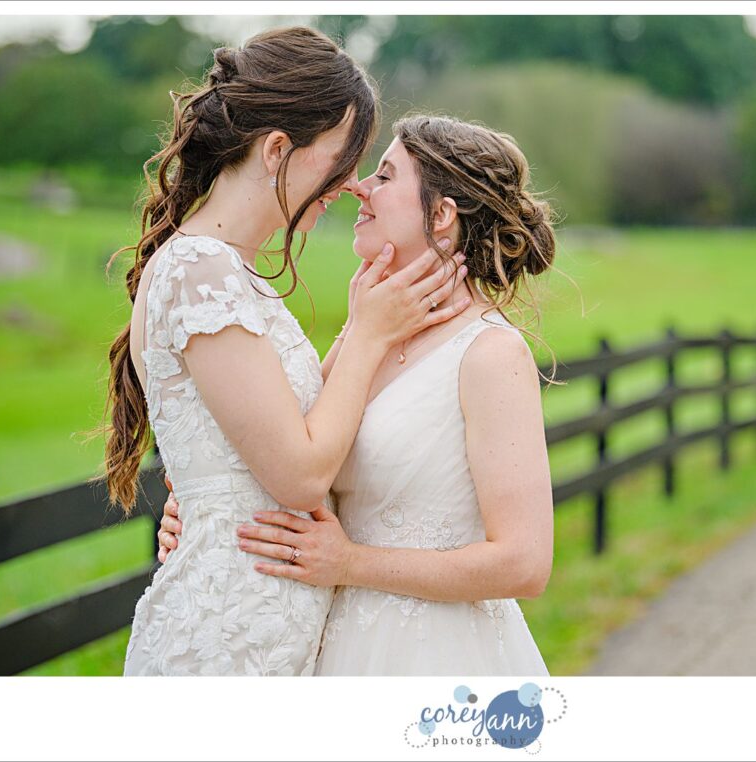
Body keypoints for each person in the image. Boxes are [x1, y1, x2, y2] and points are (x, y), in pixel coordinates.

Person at [105, 27, 469, 676]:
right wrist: (367, 336)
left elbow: (283, 431)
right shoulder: (199, 271)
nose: (351, 184)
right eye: (341, 158)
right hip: (224, 645)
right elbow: (299, 475)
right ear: (278, 149)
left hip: (264, 637)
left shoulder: (227, 273)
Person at [158, 114, 557, 675]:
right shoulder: (367, 333)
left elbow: (525, 563)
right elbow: (295, 451)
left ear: (441, 215)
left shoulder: (490, 354)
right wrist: (209, 509)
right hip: (337, 648)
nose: (358, 188)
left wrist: (351, 563)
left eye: (386, 176)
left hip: (432, 656)